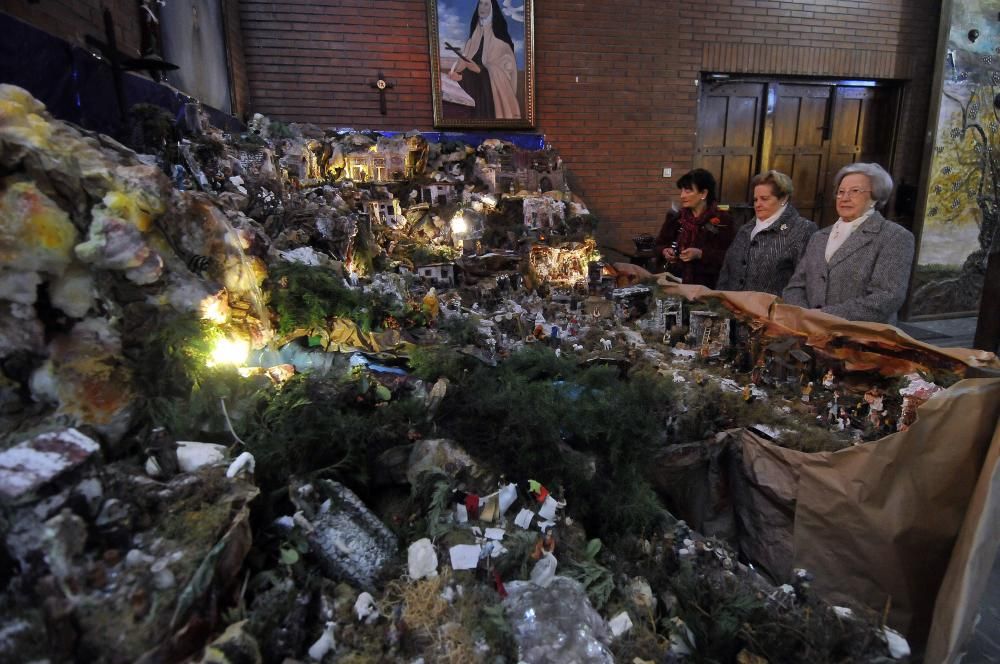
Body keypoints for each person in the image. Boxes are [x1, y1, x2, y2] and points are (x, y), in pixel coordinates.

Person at [782, 163, 914, 323]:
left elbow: (887, 297)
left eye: (855, 191)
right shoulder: (819, 236)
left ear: (875, 196)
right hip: (809, 335)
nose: (845, 198)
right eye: (841, 192)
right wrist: (804, 317)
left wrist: (822, 317)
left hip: (859, 340)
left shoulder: (894, 236)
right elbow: (795, 287)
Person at [717, 170, 817, 295]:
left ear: (783, 198)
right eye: (755, 200)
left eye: (764, 199)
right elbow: (726, 272)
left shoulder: (802, 229)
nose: (758, 204)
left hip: (773, 311)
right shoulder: (746, 229)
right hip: (732, 309)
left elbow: (804, 280)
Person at [653, 168, 735, 288]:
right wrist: (665, 251)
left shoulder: (723, 220)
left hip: (707, 288)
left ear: (703, 194)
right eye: (681, 191)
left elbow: (730, 256)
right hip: (674, 284)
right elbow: (658, 244)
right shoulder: (675, 218)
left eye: (688, 191)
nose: (682, 196)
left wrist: (701, 254)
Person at [447, 0, 520, 120]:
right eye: (480, 3)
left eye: (486, 4)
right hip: (472, 93)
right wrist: (457, 75)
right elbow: (465, 64)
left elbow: (506, 73)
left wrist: (480, 69)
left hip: (489, 98)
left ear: (492, 8)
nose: (482, 7)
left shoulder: (501, 43)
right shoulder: (472, 39)